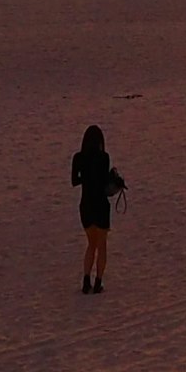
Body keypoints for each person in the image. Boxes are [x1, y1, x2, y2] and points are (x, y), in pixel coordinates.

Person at [70, 124, 125, 293]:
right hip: (100, 206)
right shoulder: (104, 157)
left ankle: (86, 280)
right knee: (102, 246)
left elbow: (74, 181)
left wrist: (85, 178)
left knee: (90, 245)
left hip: (85, 205)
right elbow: (103, 182)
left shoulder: (78, 158)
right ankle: (98, 282)